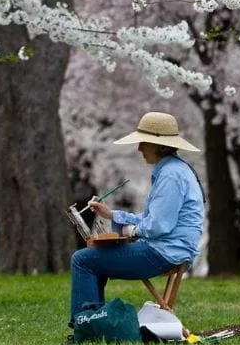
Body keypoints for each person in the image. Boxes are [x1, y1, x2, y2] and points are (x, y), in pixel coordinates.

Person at [69, 111, 205, 327]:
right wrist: (112, 215)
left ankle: (84, 327)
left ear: (158, 145)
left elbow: (159, 225)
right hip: (171, 250)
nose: (139, 148)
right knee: (94, 258)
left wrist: (129, 232)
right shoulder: (175, 170)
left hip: (163, 253)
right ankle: (94, 324)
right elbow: (153, 219)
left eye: (143, 142)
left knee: (83, 260)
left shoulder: (170, 175)